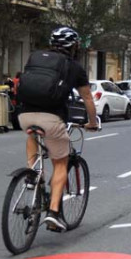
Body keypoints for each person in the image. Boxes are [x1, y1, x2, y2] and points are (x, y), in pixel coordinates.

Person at [17, 27, 98, 232]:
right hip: (52, 119)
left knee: (33, 133)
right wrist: (92, 122)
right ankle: (53, 213)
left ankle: (33, 174)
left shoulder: (35, 57)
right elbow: (87, 98)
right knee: (60, 163)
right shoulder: (74, 67)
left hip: (24, 116)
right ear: (73, 47)